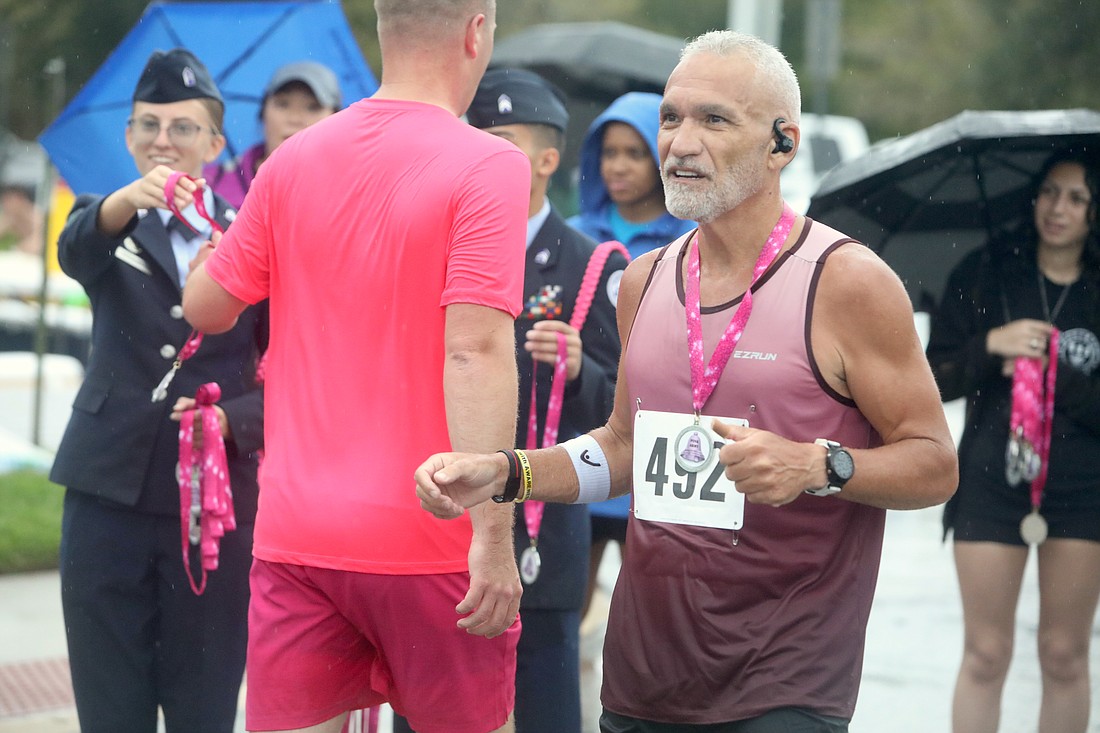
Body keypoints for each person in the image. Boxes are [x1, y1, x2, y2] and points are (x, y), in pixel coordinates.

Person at [415, 29, 958, 733]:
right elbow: (622, 447)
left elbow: (933, 462)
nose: (680, 143)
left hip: (784, 681)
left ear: (782, 144)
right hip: (644, 678)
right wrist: (505, 471)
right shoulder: (643, 280)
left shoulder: (847, 281)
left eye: (714, 120)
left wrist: (818, 465)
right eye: (670, 118)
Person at [182, 1, 530, 732]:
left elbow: (207, 307)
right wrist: (493, 537)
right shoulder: (491, 164)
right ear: (476, 31)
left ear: (383, 28)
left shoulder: (291, 160)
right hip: (430, 534)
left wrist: (210, 259)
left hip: (300, 532)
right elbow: (475, 350)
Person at [396, 67, 627, 733]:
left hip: (540, 533)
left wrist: (580, 371)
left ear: (548, 160)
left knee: (540, 707)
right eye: (474, 138)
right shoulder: (431, 244)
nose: (481, 155)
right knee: (424, 702)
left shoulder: (593, 265)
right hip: (435, 511)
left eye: (502, 142)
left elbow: (624, 414)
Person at [49, 48, 266, 733]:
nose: (163, 140)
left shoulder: (250, 236)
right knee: (109, 701)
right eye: (148, 124)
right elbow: (75, 250)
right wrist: (123, 201)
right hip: (106, 492)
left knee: (204, 701)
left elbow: (291, 368)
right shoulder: (107, 220)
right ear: (129, 136)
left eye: (181, 127)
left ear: (215, 143)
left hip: (212, 507)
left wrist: (235, 419)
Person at [928, 150, 1100, 733]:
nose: (1058, 208)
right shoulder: (986, 273)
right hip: (989, 484)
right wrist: (991, 346)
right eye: (1049, 192)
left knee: (1064, 653)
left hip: (1083, 493)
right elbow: (934, 380)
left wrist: (1061, 375)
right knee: (985, 653)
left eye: (1076, 197)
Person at [566, 90, 696, 620]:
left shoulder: (692, 239)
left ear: (662, 159)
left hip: (659, 439)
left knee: (658, 613)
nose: (618, 166)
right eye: (609, 152)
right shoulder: (575, 235)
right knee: (566, 603)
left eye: (634, 153)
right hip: (586, 434)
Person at [203, 60, 342, 209]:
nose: (295, 119)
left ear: (336, 119)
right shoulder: (209, 185)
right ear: (263, 113)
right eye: (283, 104)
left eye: (313, 107)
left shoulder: (349, 194)